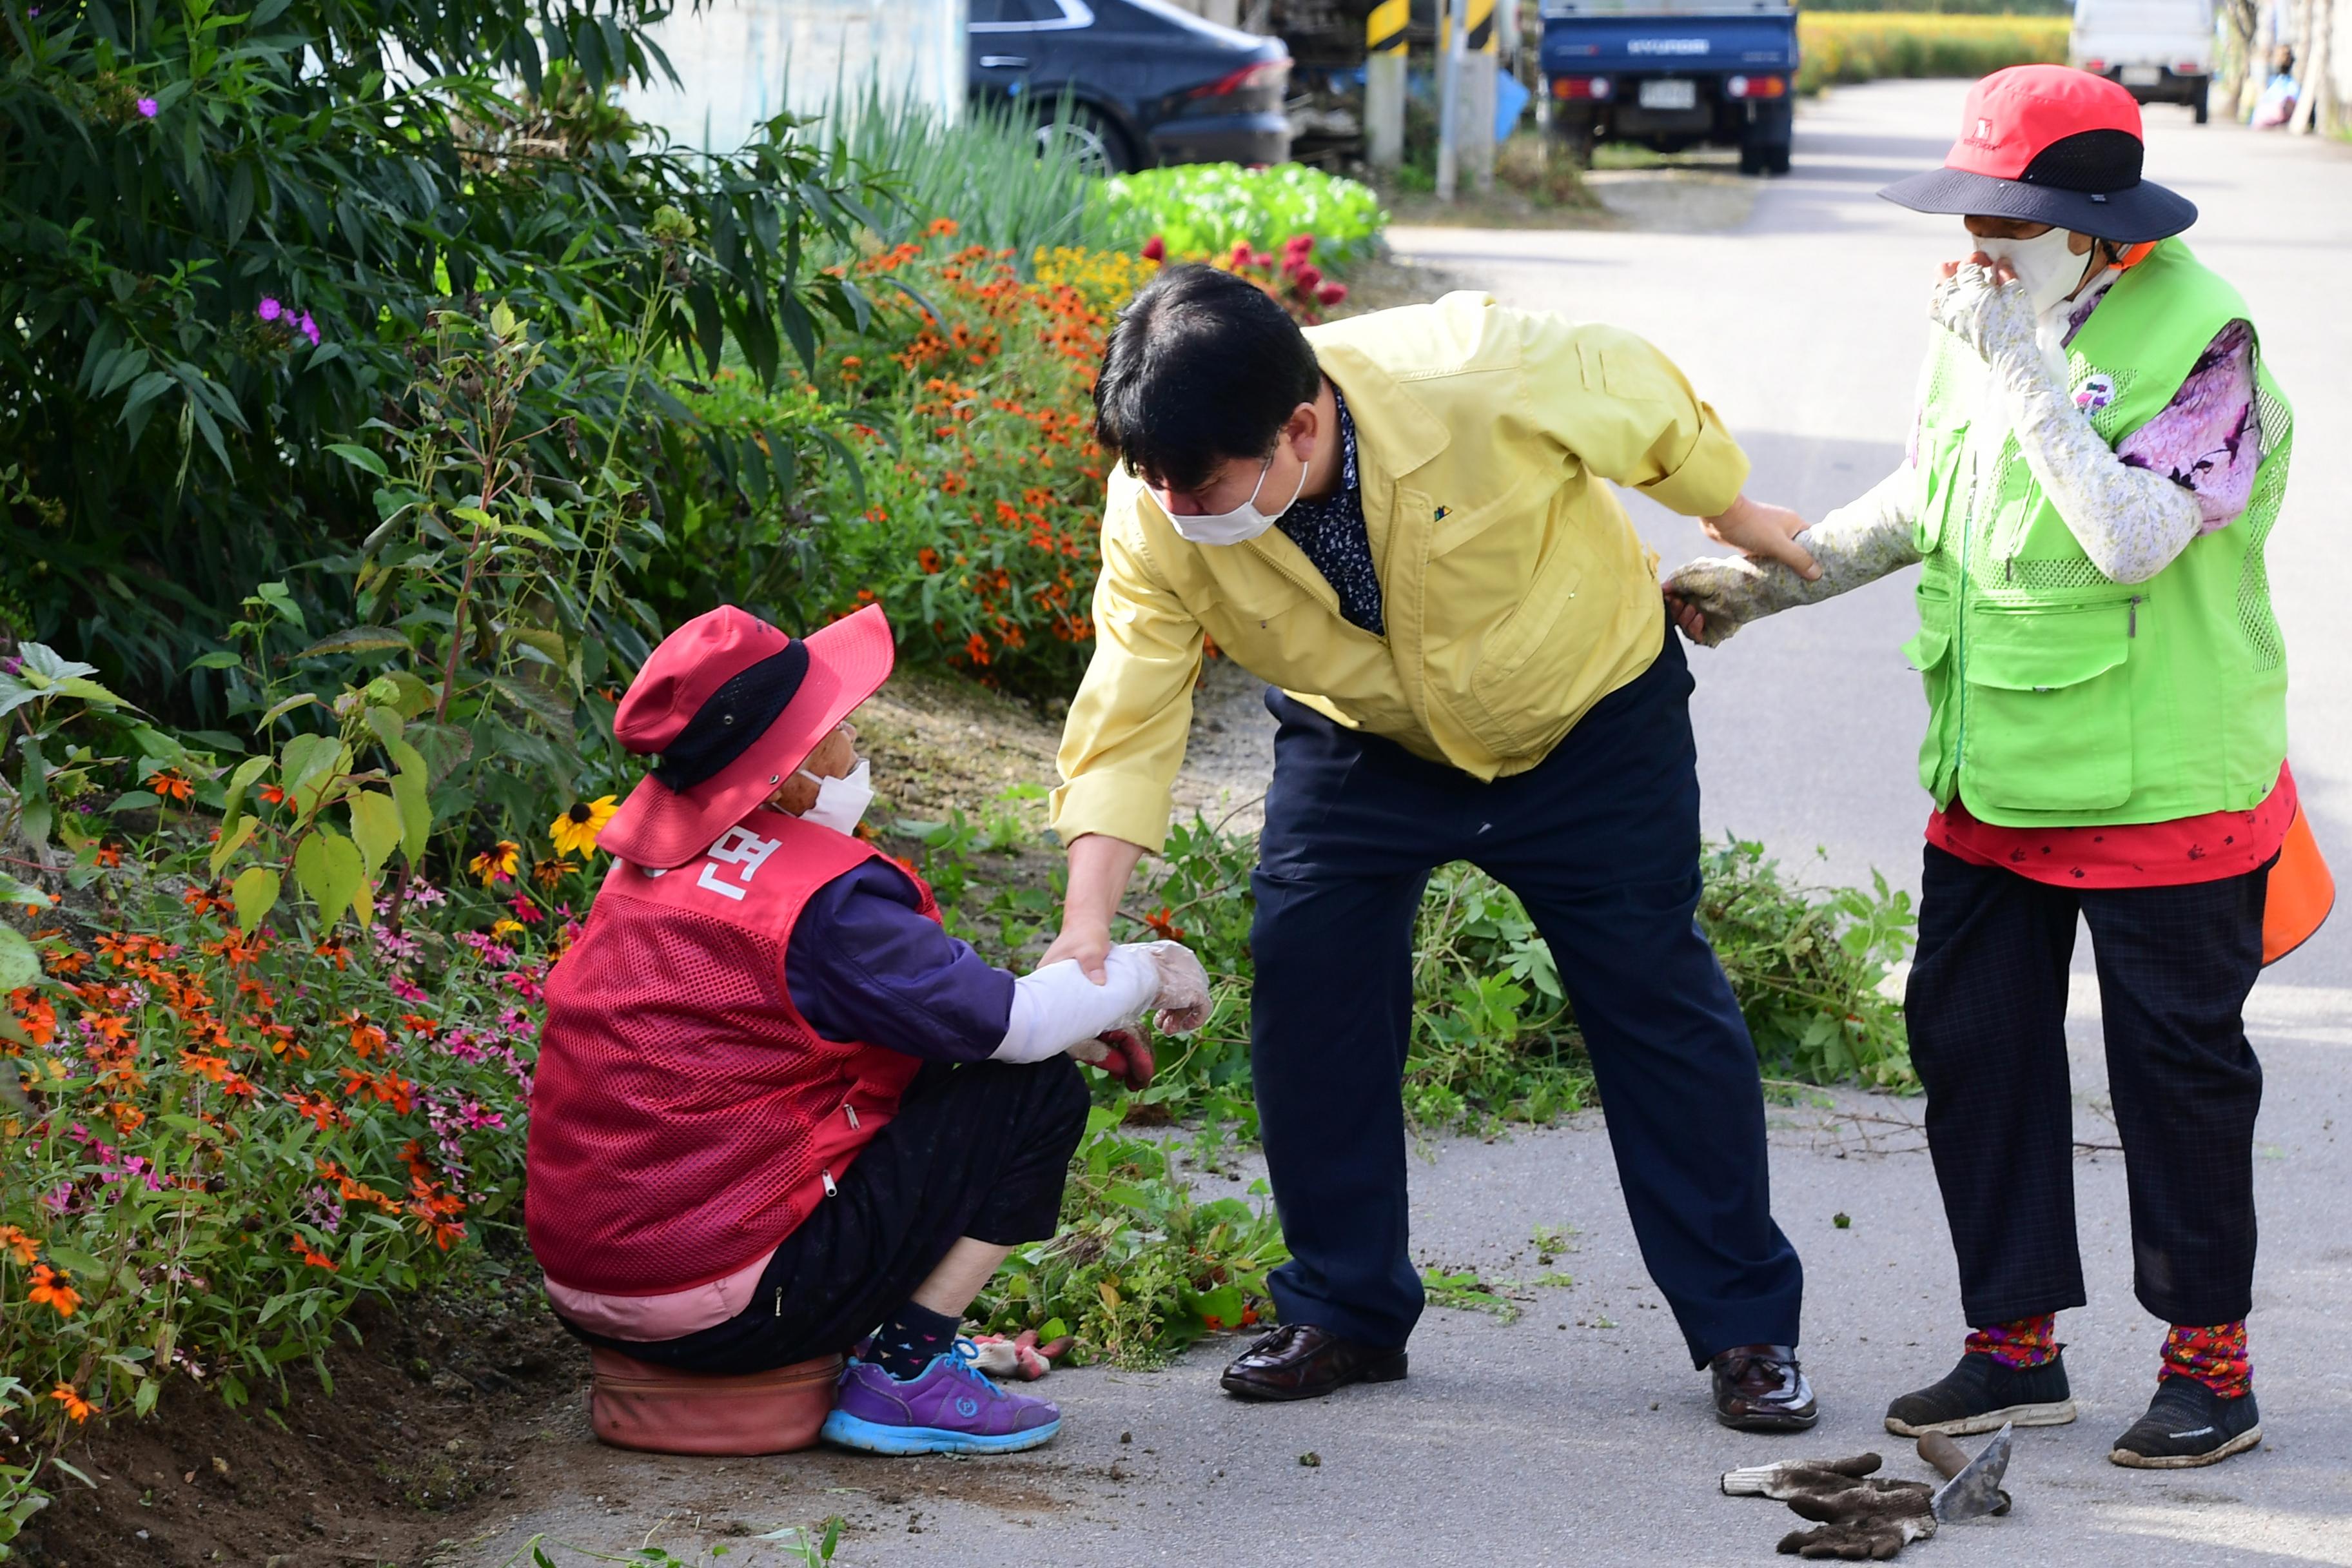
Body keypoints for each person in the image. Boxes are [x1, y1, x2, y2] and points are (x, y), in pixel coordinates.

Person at [1043, 264, 1822, 1429]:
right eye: (1151, 479)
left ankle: (1746, 1329)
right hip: (1366, 738)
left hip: (1588, 713)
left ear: (1298, 423)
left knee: (1653, 998)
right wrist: (1086, 929)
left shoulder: (1474, 369)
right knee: (1309, 983)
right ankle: (1343, 1307)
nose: (1174, 507)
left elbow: (1637, 394)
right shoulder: (1156, 509)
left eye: (1199, 483)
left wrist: (1732, 510)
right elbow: (1130, 711)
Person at [1666, 66, 2295, 1469]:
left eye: (2008, 222)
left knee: (2174, 1080)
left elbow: (2133, 532)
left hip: (2167, 789)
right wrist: (1779, 580)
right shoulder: (1978, 315)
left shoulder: (2207, 339)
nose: (1976, 246)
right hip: (1997, 773)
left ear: (2097, 225)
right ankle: (2012, 1350)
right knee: (1974, 1045)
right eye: (1972, 216)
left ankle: (2212, 1371)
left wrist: (2018, 357)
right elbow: (1933, 485)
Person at [524, 604, 1210, 1456]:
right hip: (729, 1307)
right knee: (1031, 1090)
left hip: (591, 1291)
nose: (857, 745)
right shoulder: (822, 901)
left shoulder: (648, 872)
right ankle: (908, 1373)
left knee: (972, 1067)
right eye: (841, 729)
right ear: (792, 773)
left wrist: (1068, 1026)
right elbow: (1019, 1027)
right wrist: (1152, 972)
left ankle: (882, 1340)